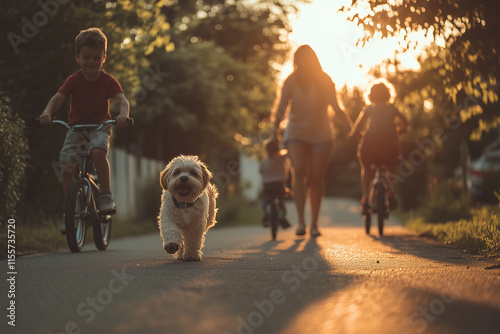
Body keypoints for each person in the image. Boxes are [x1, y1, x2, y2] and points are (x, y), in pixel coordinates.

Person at [39, 27, 130, 233]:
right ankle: (70, 212)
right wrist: (47, 112)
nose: (91, 61)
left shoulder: (108, 80)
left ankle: (105, 194)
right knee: (66, 168)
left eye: (96, 57)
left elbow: (122, 99)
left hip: (100, 126)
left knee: (98, 151)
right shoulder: (74, 80)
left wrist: (122, 115)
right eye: (86, 57)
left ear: (104, 58)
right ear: (77, 57)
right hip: (76, 128)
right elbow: (58, 98)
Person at [272, 45, 352, 237]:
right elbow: (281, 108)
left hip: (321, 135)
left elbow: (336, 106)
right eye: (300, 60)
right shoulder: (291, 81)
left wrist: (351, 128)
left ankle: (314, 224)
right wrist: (273, 133)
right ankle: (301, 223)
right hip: (296, 133)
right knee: (298, 172)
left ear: (314, 60)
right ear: (296, 62)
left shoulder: (325, 80)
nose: (304, 63)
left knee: (316, 178)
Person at [349, 79, 408, 211]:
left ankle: (365, 197)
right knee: (392, 168)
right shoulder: (392, 109)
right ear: (388, 94)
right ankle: (391, 194)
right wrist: (401, 130)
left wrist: (354, 134)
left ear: (371, 96)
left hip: (371, 148)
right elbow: (405, 122)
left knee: (366, 168)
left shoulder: (369, 109)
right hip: (390, 148)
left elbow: (357, 128)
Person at [259, 137, 291, 229]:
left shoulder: (263, 162)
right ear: (278, 149)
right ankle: (281, 216)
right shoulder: (281, 159)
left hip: (267, 186)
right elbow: (288, 151)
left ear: (266, 150)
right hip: (279, 185)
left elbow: (261, 171)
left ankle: (265, 213)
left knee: (265, 200)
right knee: (281, 201)